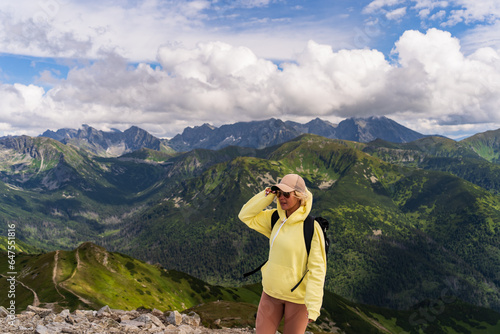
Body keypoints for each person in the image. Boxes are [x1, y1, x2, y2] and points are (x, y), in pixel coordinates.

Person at [238, 173, 327, 334]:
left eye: (286, 194)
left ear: (299, 196)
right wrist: (267, 195)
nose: (281, 198)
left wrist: (314, 306)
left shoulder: (312, 228)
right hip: (270, 293)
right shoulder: (274, 218)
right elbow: (245, 215)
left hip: (298, 300)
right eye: (279, 193)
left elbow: (317, 269)